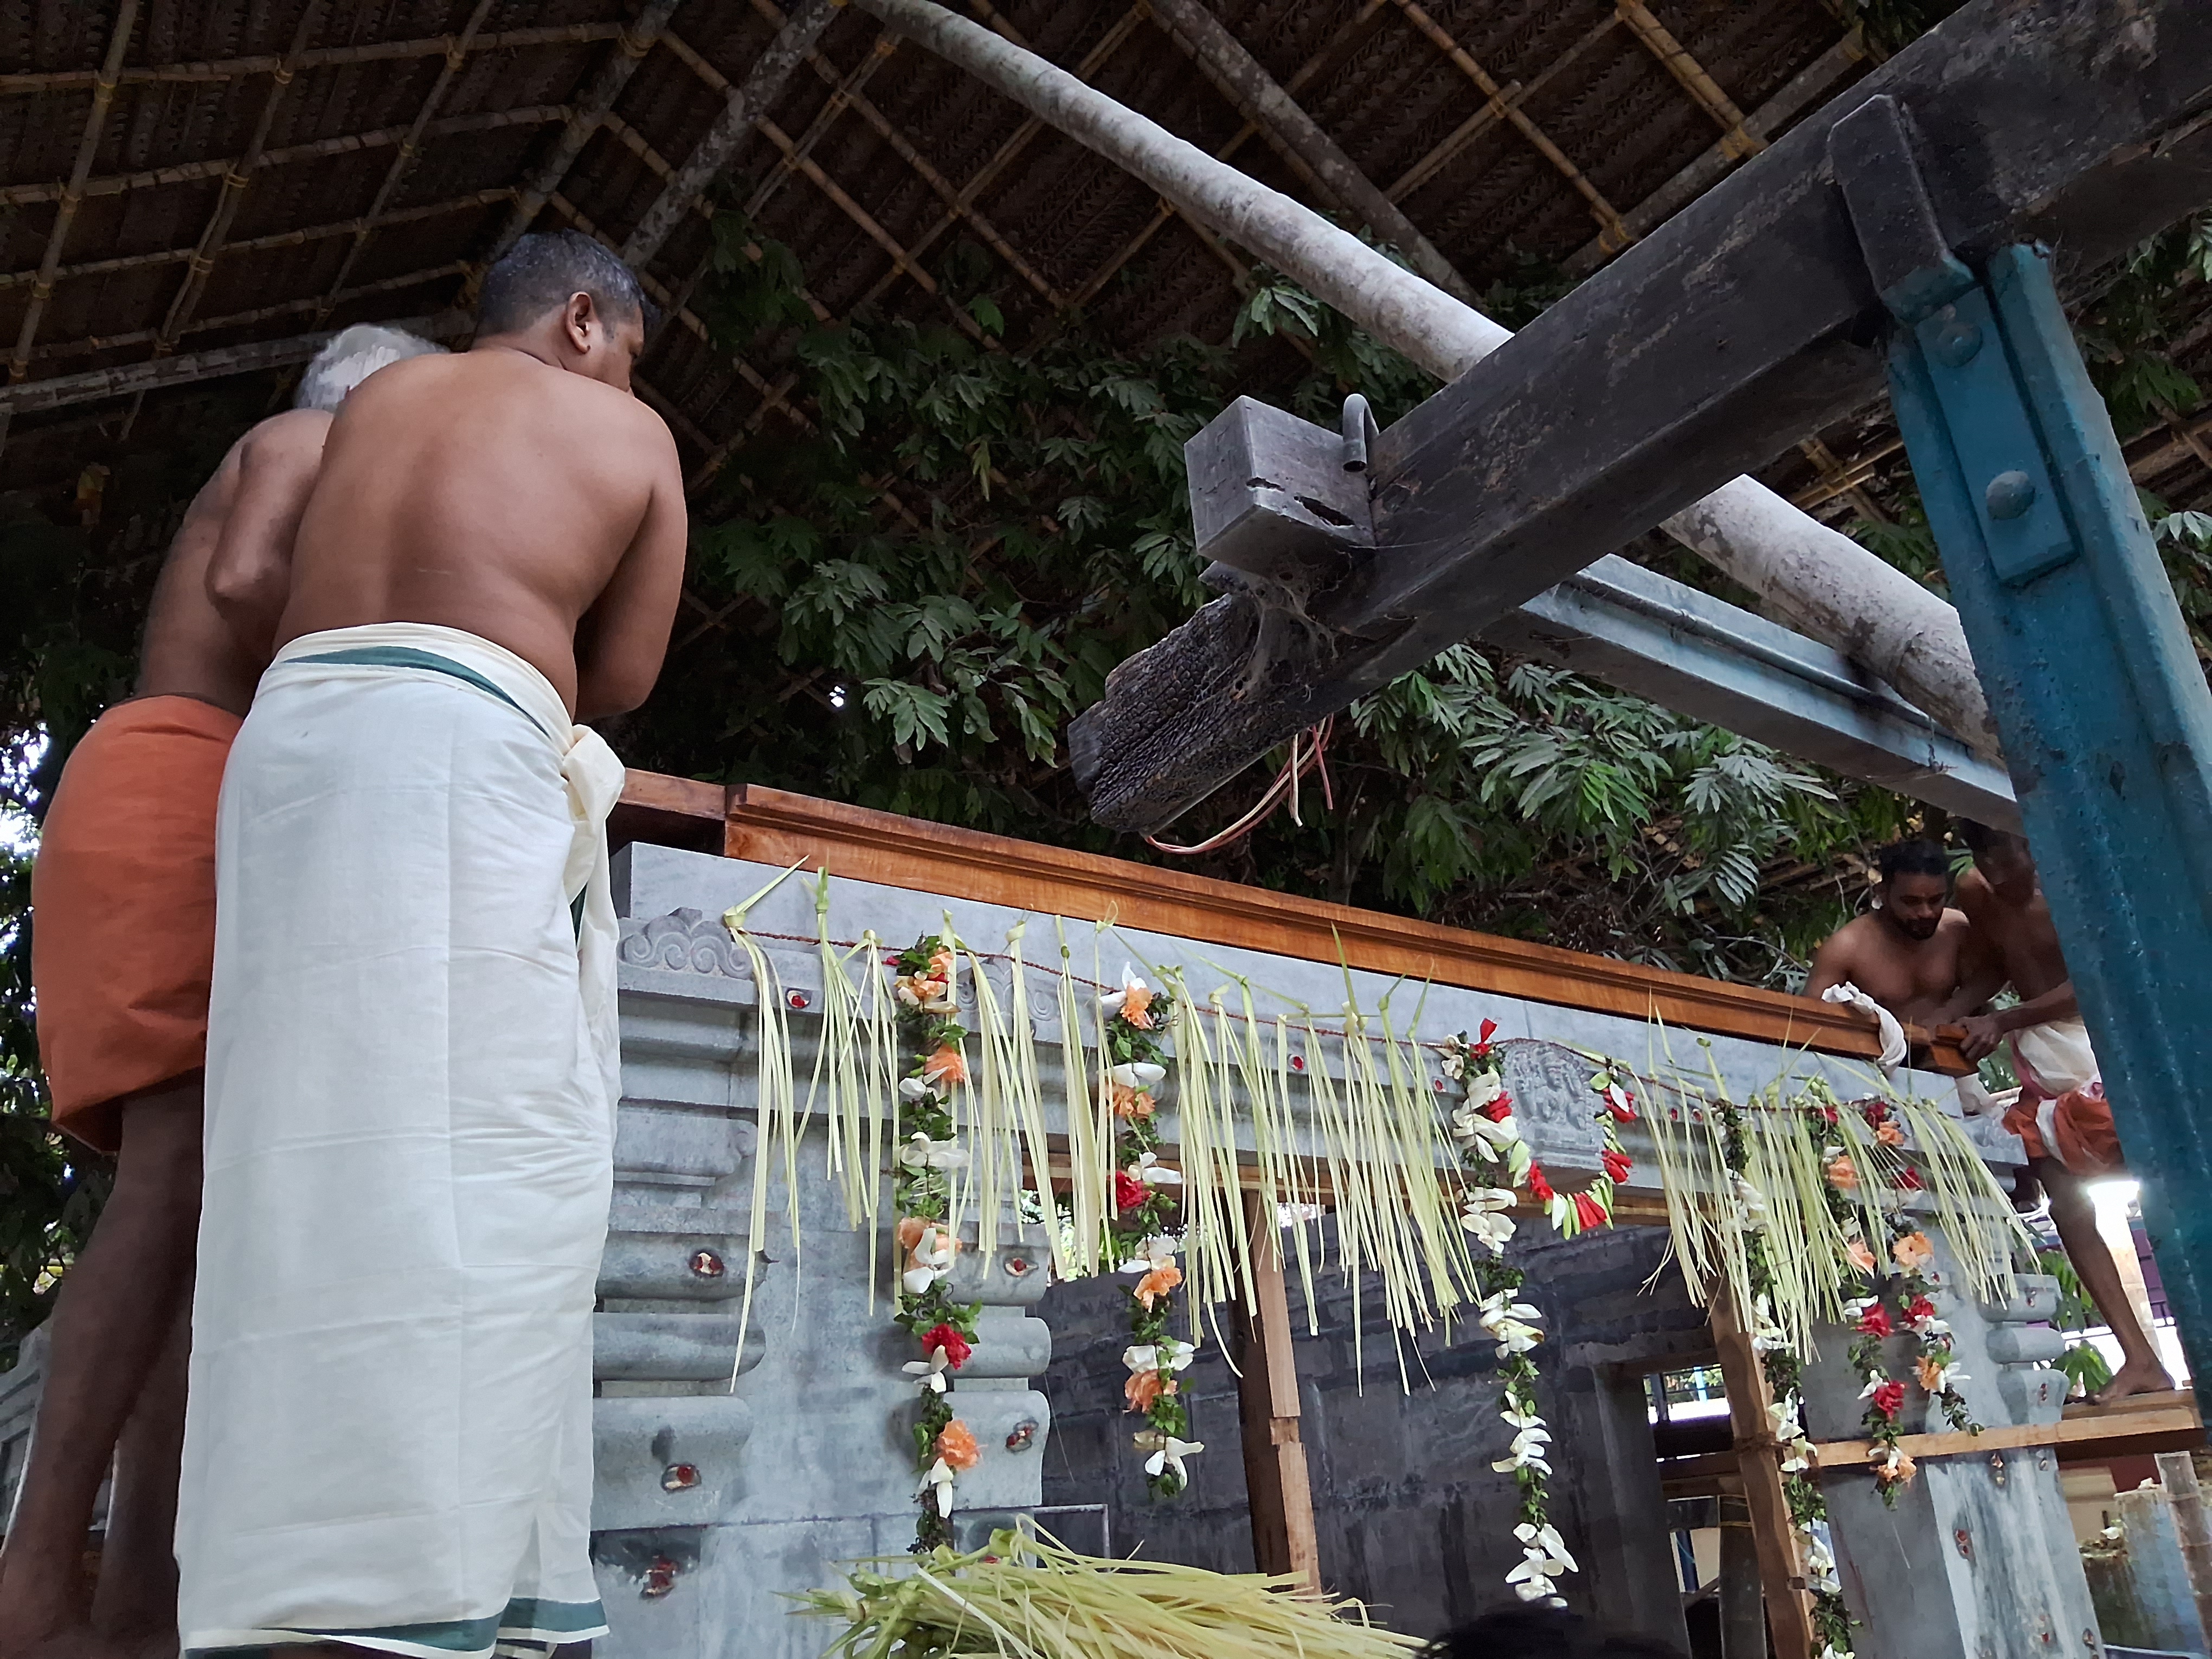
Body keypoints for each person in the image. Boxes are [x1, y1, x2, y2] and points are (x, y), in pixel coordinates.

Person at [173, 232, 686, 1659]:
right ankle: (432, 1578)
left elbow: (264, 581)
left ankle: (277, 1583)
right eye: (630, 350)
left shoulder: (377, 402)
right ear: (583, 320)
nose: (629, 379)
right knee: (493, 1157)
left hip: (294, 743)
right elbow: (624, 674)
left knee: (295, 1149)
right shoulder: (631, 437)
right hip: (460, 744)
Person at [1, 326, 446, 1659]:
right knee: (173, 1181)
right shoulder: (308, 439)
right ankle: (32, 1590)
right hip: (180, 788)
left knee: (201, 1232)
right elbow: (252, 580)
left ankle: (144, 1598)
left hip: (220, 798)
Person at [1951, 820, 2172, 1404]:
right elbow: (2000, 963)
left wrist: (2004, 1020)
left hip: (2102, 1041)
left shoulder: (2074, 886)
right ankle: (2141, 1360)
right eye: (1987, 863)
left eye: (2010, 862)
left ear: (2032, 845)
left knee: (2164, 1187)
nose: (2000, 876)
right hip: (2042, 1058)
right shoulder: (1974, 891)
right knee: (2066, 1204)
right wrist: (1950, 1016)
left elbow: (2096, 981)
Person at [1804, 838, 1996, 1061]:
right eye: (1911, 902)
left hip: (1943, 1059)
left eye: (1936, 900)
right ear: (1883, 893)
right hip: (1870, 1062)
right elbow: (1808, 1021)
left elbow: (1989, 976)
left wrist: (1950, 1012)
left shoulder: (1957, 930)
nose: (1926, 913)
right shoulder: (1846, 948)